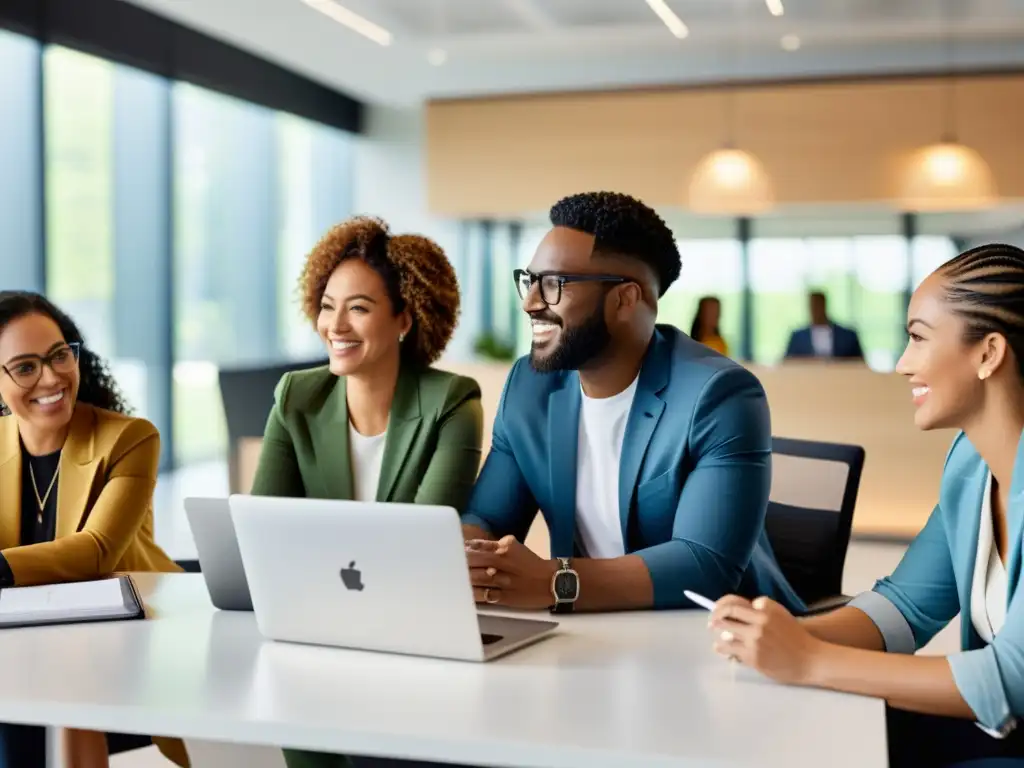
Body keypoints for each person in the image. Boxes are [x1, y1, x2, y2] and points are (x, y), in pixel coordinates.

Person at [706, 243, 1024, 768]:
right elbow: (905, 606)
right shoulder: (970, 465)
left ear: (988, 353)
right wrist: (781, 635)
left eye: (919, 338)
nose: (902, 364)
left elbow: (1007, 680)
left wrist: (808, 659)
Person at [461, 191, 803, 614]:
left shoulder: (720, 394)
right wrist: (464, 554)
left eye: (554, 285)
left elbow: (704, 564)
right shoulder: (531, 385)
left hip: (723, 638)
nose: (531, 302)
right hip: (593, 632)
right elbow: (489, 518)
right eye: (530, 281)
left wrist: (555, 581)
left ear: (624, 299)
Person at [247, 217, 483, 768]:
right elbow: (262, 527)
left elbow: (423, 548)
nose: (335, 325)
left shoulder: (452, 403)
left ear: (405, 317)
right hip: (310, 634)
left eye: (358, 307)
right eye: (328, 306)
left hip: (410, 643)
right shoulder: (296, 396)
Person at [0, 292, 188, 768]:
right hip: (28, 642)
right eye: (25, 367)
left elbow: (97, 552)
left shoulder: (129, 438)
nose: (51, 378)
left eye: (60, 355)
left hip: (124, 638)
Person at [783, 290, 864, 361]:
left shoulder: (848, 336)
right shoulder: (798, 337)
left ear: (824, 305)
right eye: (813, 306)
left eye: (818, 305)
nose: (816, 310)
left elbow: (860, 364)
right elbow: (787, 363)